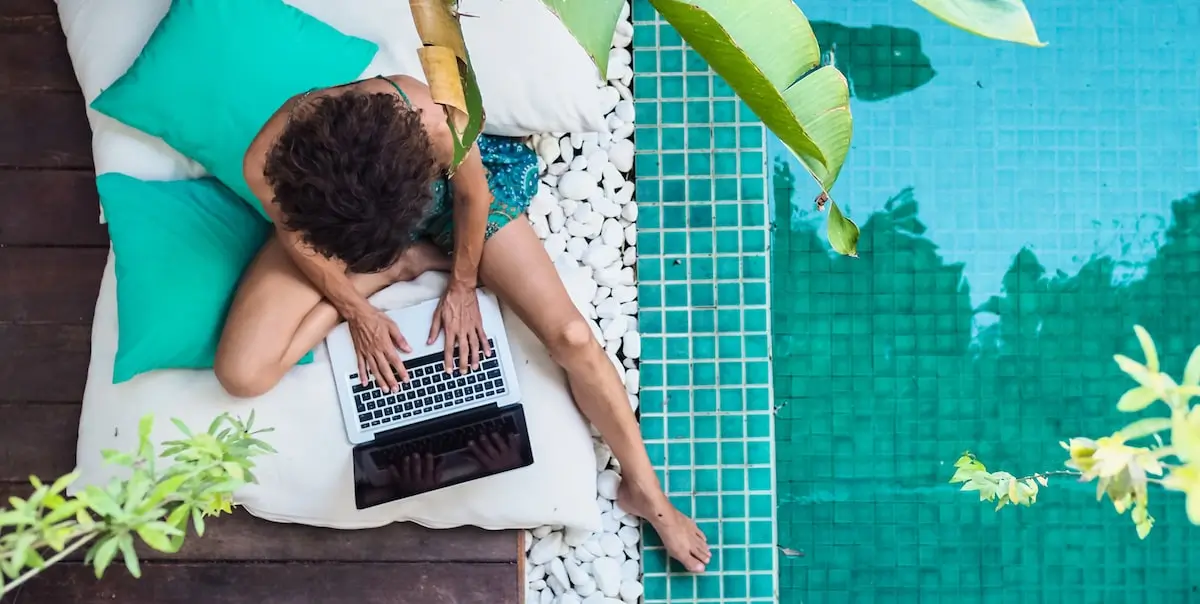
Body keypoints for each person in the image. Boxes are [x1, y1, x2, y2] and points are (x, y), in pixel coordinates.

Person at [213, 74, 710, 572]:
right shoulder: (269, 163)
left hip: (447, 202)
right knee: (242, 374)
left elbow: (474, 197)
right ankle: (403, 264)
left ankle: (646, 491)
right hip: (346, 224)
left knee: (572, 336)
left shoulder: (430, 115)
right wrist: (356, 307)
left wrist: (462, 286)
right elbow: (299, 240)